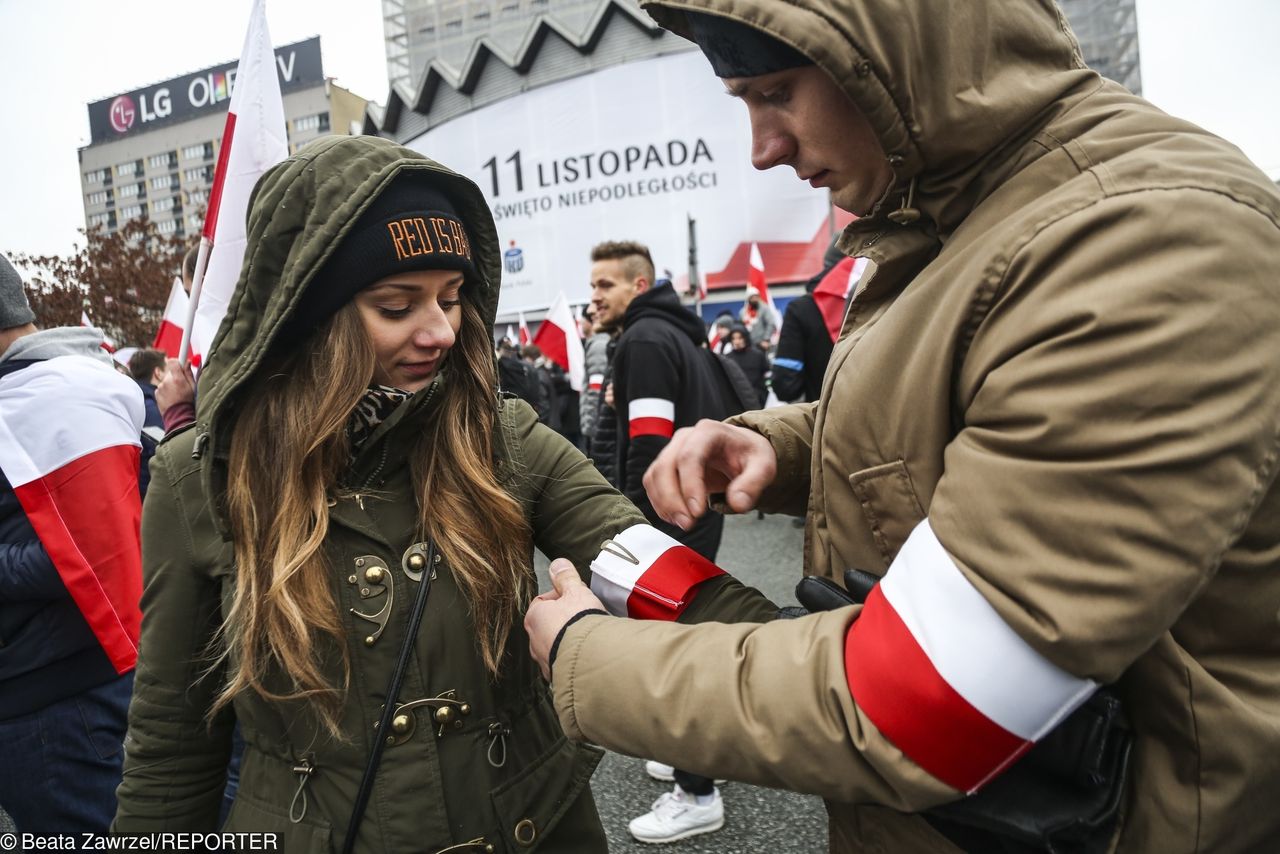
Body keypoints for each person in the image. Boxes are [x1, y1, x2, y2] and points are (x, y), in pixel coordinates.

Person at [525, 3, 1280, 852]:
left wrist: (591, 661)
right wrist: (781, 449)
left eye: (775, 92)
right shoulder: (972, 218)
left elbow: (932, 703)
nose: (761, 147)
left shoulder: (1142, 236)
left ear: (894, 55)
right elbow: (972, 412)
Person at [111, 136, 773, 851]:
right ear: (308, 317)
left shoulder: (502, 436)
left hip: (536, 825)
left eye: (452, 298)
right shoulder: (195, 478)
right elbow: (171, 750)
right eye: (397, 305)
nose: (441, 332)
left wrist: (828, 658)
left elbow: (650, 567)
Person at [588, 239, 749, 843]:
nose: (594, 296)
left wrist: (634, 531)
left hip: (667, 515)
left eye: (605, 285)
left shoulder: (645, 341)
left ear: (637, 284)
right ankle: (700, 760)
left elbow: (650, 442)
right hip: (693, 510)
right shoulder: (673, 332)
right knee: (689, 637)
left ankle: (697, 790)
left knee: (671, 654)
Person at [0, 253, 144, 834]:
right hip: (81, 681)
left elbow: (89, 551)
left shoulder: (41, 398)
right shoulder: (77, 382)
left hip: (59, 703)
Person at [127, 348, 168, 496]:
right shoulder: (150, 409)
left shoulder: (128, 400)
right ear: (158, 373)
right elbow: (163, 453)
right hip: (146, 492)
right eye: (168, 369)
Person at [723, 325, 768, 408]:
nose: (737, 341)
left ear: (745, 338)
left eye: (740, 338)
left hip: (757, 399)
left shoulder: (757, 355)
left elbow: (766, 375)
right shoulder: (727, 358)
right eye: (734, 338)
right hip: (735, 400)